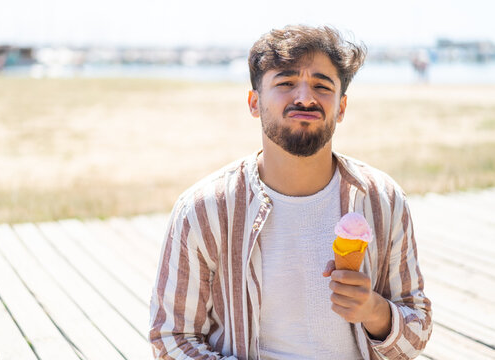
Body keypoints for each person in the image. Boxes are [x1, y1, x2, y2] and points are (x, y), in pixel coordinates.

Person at [149, 25, 432, 360]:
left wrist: (374, 311)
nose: (305, 97)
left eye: (321, 85)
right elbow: (171, 338)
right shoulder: (204, 210)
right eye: (285, 83)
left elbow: (417, 332)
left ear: (341, 108)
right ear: (254, 102)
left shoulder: (383, 200)